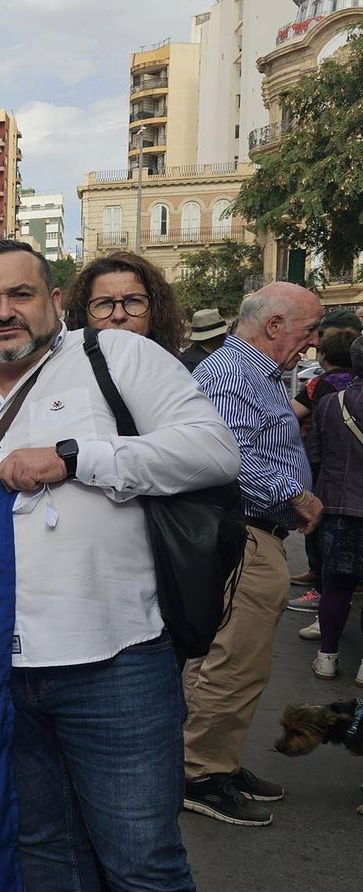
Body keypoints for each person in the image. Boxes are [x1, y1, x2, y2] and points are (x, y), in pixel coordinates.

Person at [0, 239, 238, 892]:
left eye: (20, 294)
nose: (4, 311)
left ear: (54, 302)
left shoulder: (117, 356)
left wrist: (76, 457)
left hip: (117, 660)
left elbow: (213, 452)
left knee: (144, 864)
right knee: (47, 856)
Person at [184, 281, 324, 827]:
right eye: (309, 329)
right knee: (234, 664)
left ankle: (212, 761)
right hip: (244, 536)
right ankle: (201, 772)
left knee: (225, 662)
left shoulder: (249, 372)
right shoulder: (233, 373)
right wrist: (293, 494)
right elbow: (223, 454)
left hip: (249, 535)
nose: (313, 342)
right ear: (274, 325)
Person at [303, 334, 363, 684]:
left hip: (338, 509)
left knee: (336, 586)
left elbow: (314, 457)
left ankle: (326, 657)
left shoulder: (329, 404)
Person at [63, 250, 186, 354]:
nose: (119, 315)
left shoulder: (173, 372)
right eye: (104, 303)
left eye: (133, 301)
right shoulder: (66, 373)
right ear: (83, 315)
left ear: (155, 310)